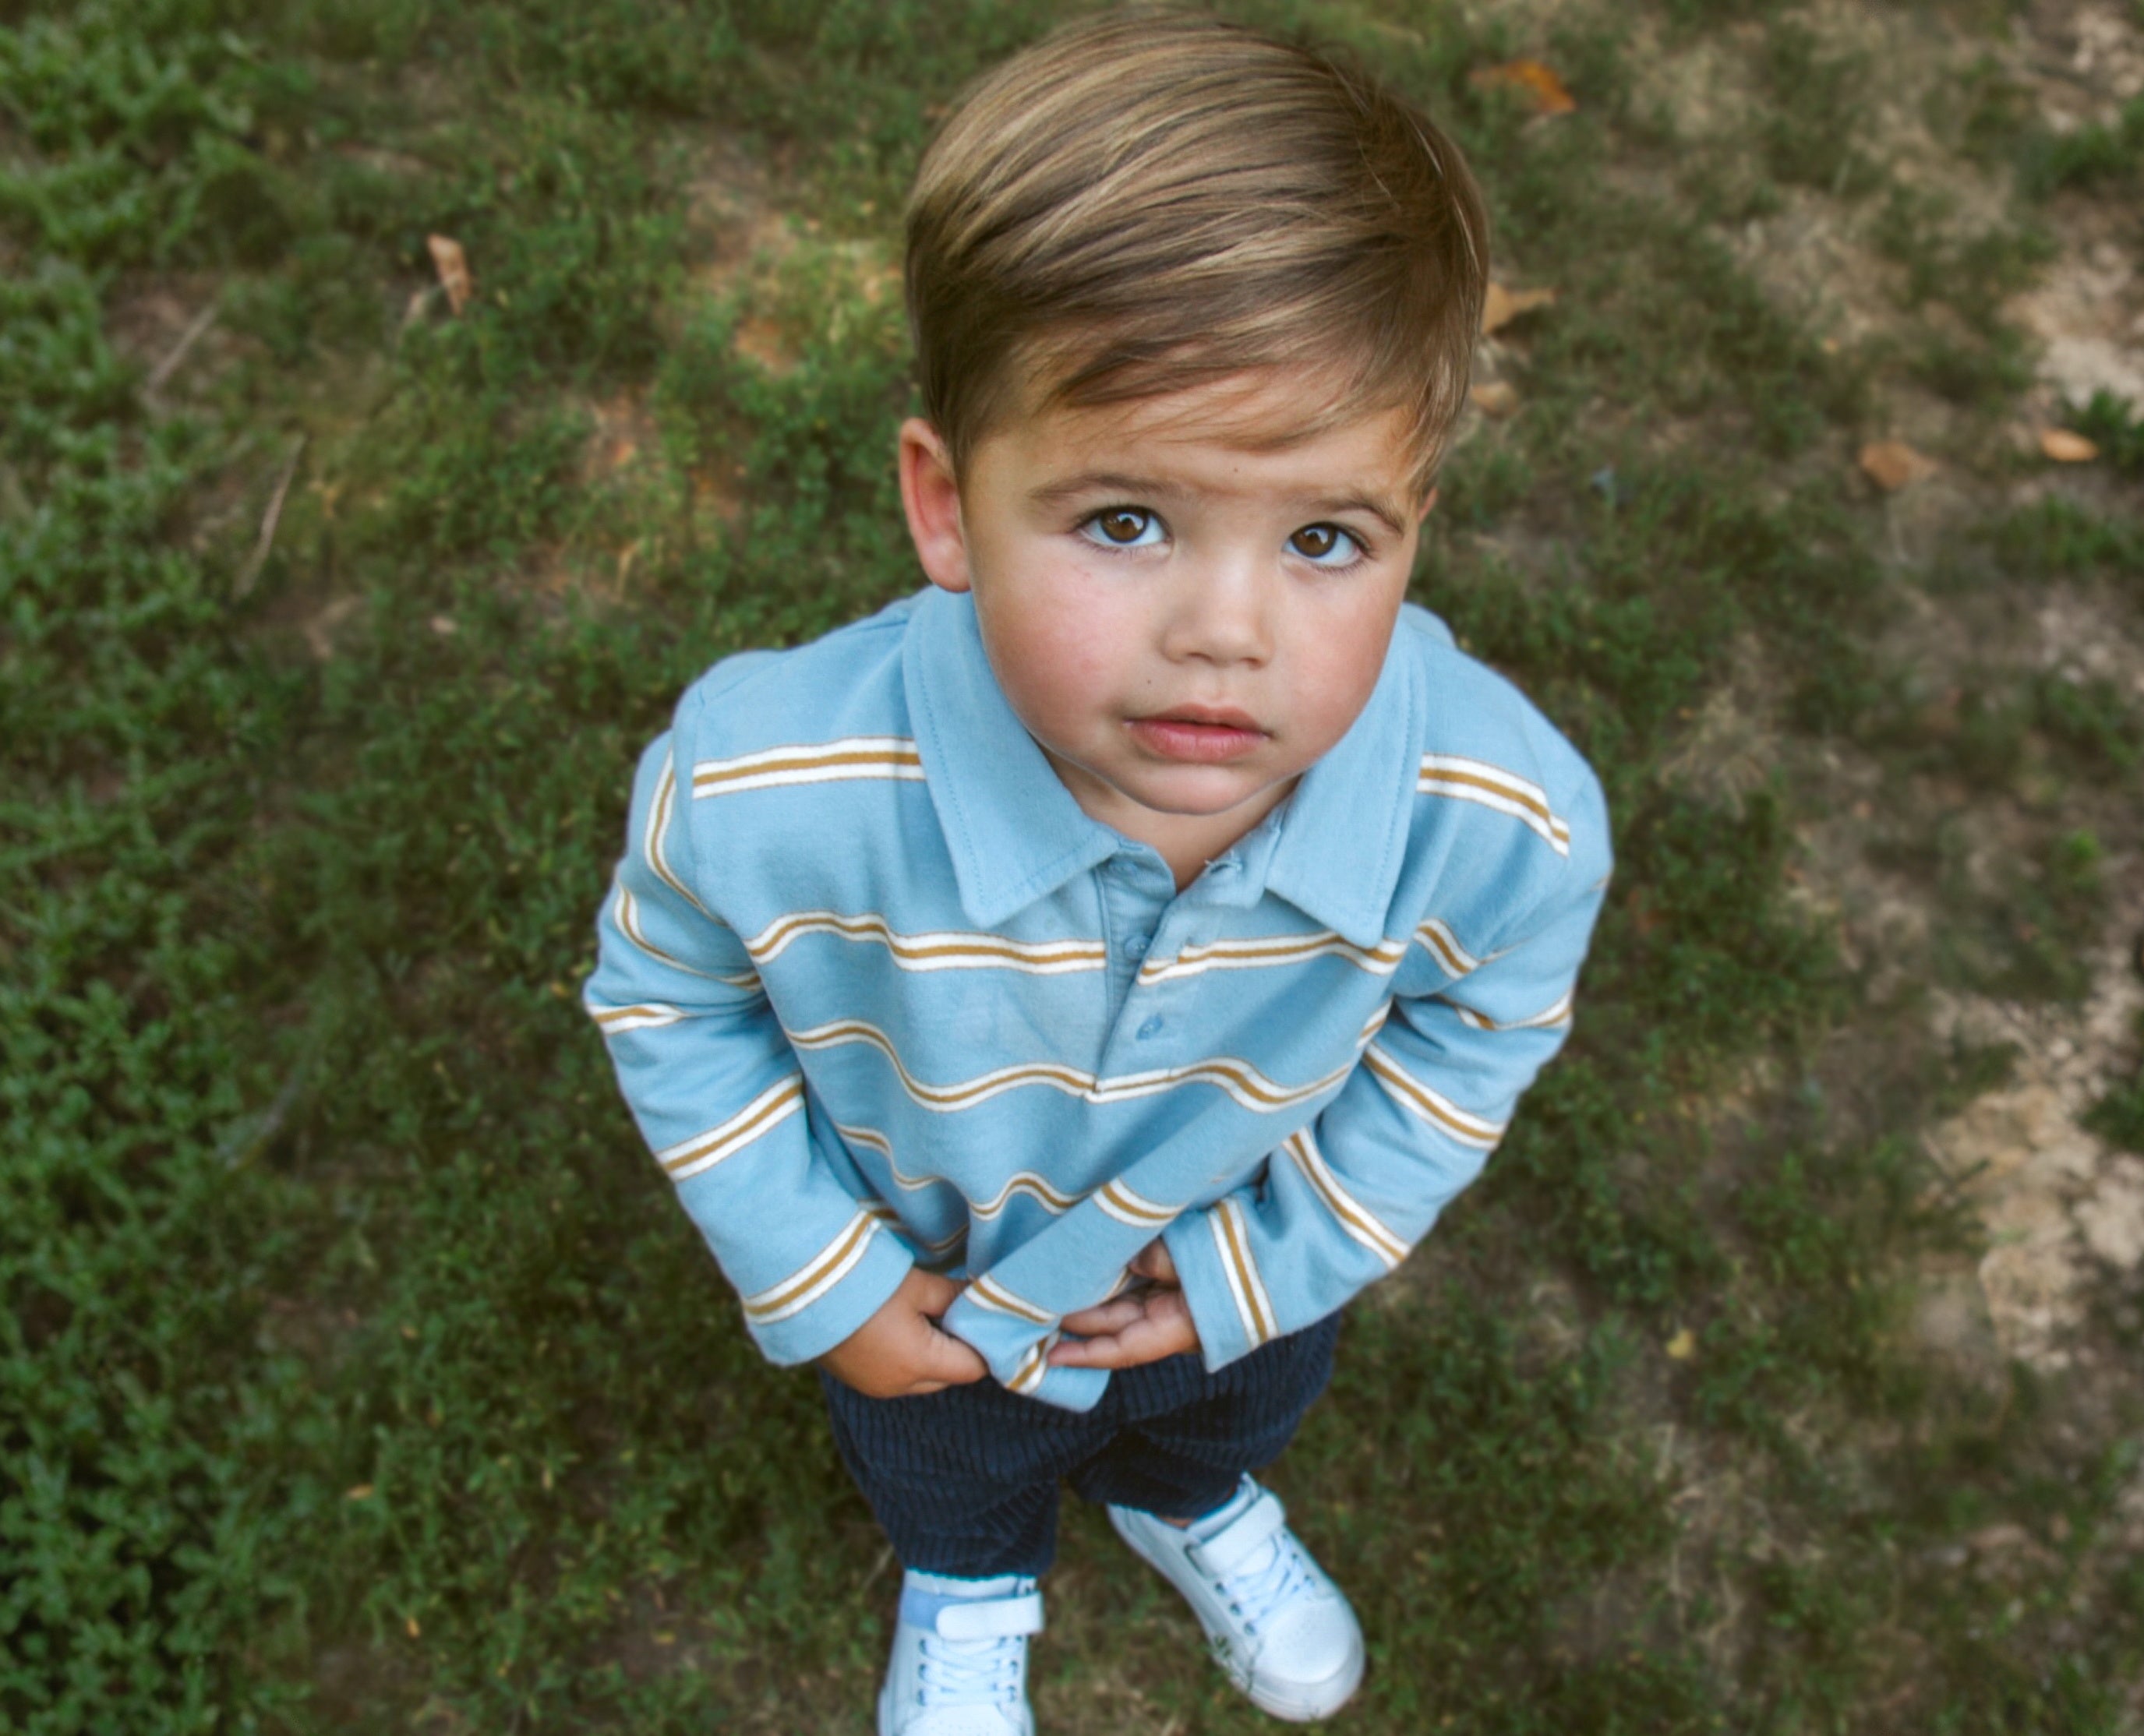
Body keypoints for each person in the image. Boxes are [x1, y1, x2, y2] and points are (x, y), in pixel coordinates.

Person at [585, 12, 1611, 1732]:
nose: (1226, 632)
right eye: (1125, 520)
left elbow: (1475, 1033)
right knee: (949, 1470)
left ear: (1415, 517)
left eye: (1322, 537)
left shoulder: (1501, 821)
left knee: (1224, 1414)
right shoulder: (765, 785)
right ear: (944, 503)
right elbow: (666, 988)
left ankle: (1189, 1504)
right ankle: (971, 1584)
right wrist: (823, 1278)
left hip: (1238, 1277)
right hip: (937, 1294)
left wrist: (1269, 1265)